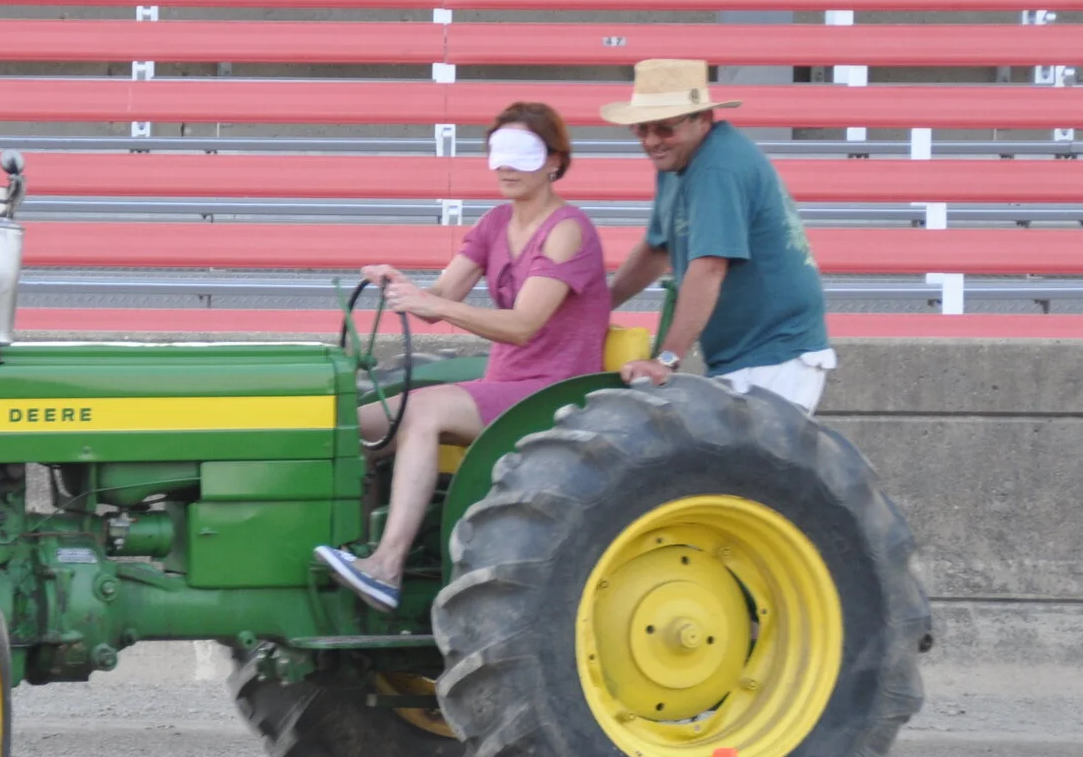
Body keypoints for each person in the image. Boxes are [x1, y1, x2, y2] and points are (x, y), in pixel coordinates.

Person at [314, 102, 610, 612]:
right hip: (503, 386)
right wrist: (405, 288)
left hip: (549, 393)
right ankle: (352, 549)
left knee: (421, 412)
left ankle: (387, 566)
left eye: (523, 153)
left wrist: (435, 303)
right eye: (499, 152)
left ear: (555, 161)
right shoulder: (495, 223)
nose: (507, 165)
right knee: (356, 422)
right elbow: (441, 297)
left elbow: (522, 325)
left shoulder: (567, 230)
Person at [601, 58, 835, 411]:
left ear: (703, 119)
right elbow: (656, 250)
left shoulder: (718, 168)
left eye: (664, 128)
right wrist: (595, 308)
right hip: (747, 355)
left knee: (750, 466)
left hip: (775, 356)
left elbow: (709, 268)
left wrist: (665, 360)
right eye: (641, 128)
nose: (651, 141)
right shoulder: (678, 161)